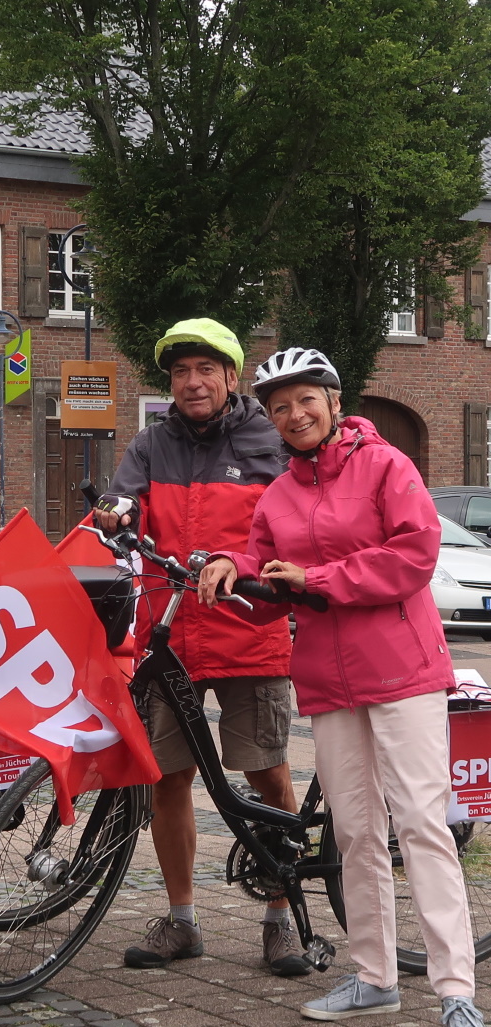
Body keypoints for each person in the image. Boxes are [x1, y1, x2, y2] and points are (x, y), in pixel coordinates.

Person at [199, 348, 484, 1027]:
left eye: (305, 400)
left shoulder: (388, 465)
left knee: (420, 823)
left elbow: (414, 554)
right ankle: (373, 975)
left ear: (332, 400)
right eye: (279, 408)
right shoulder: (279, 493)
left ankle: (455, 988)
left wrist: (317, 580)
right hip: (328, 679)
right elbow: (267, 569)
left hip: (401, 669)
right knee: (354, 831)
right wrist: (231, 567)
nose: (294, 415)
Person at [93, 318, 306, 976]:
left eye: (205, 369)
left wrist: (239, 563)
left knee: (266, 773)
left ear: (231, 376)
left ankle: (280, 918)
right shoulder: (152, 442)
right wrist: (113, 512)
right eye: (181, 372)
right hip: (172, 634)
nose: (192, 381)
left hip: (249, 629)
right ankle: (182, 920)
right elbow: (120, 499)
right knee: (170, 779)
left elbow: (294, 524)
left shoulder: (269, 438)